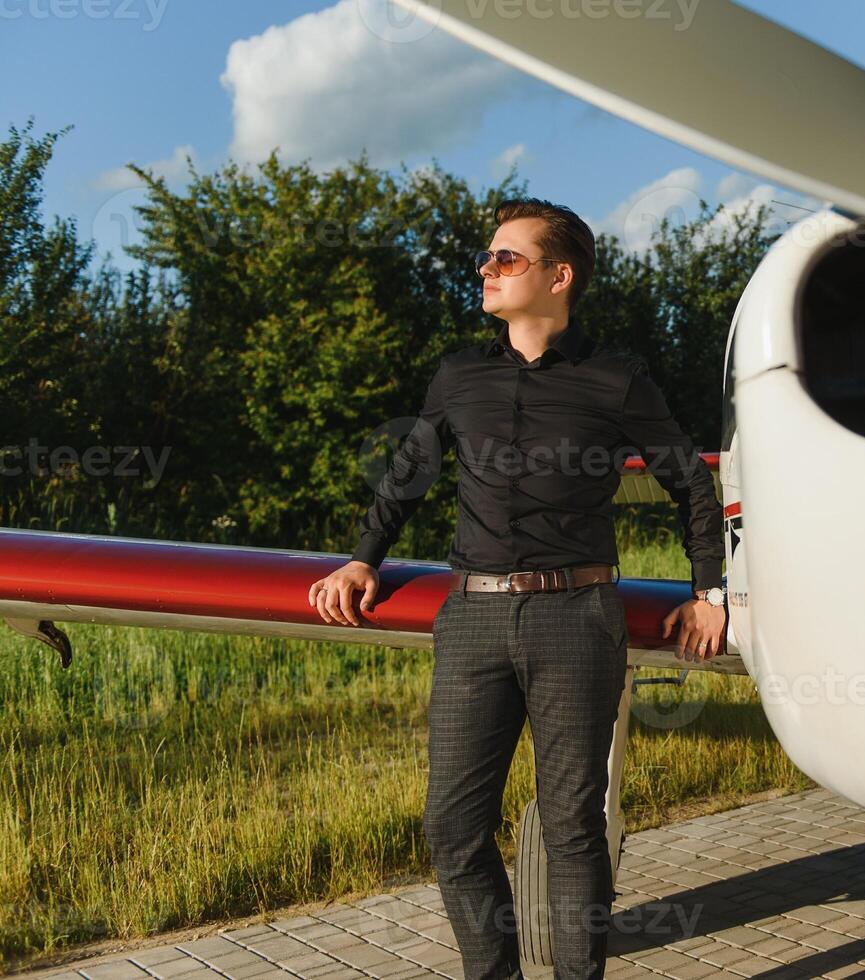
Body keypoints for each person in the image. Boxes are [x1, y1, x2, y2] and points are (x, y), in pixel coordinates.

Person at [305, 197, 728, 980]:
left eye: (507, 259)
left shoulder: (617, 378)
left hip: (578, 617)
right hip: (471, 617)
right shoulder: (458, 375)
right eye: (487, 259)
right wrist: (364, 557)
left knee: (571, 827)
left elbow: (690, 486)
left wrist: (711, 593)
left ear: (559, 276)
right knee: (451, 826)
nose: (487, 270)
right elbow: (408, 476)